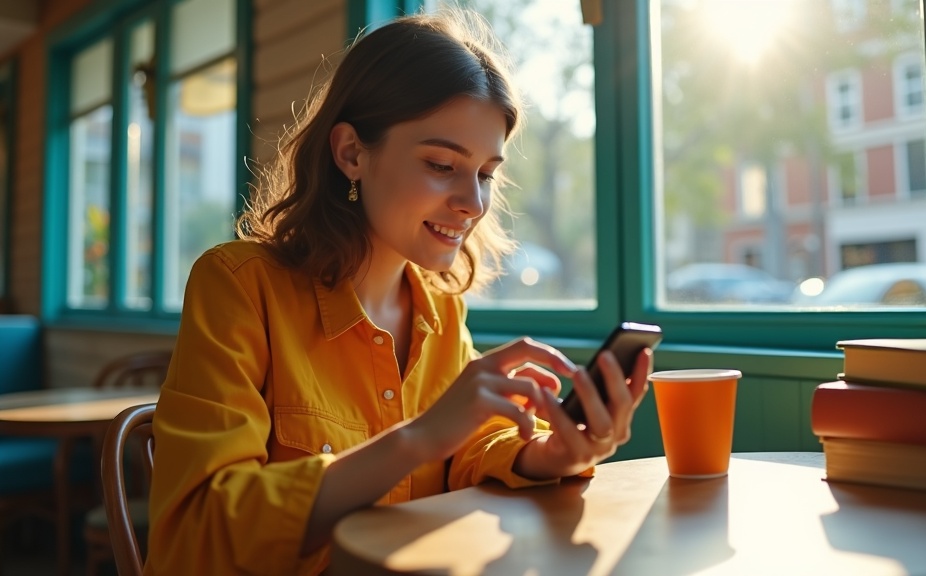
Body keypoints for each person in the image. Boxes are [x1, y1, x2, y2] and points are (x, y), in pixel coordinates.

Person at [144, 8, 653, 575]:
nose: (474, 202)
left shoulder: (440, 306)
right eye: (441, 164)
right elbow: (198, 534)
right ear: (352, 154)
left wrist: (544, 455)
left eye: (485, 173)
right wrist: (415, 440)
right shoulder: (239, 286)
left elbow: (469, 451)